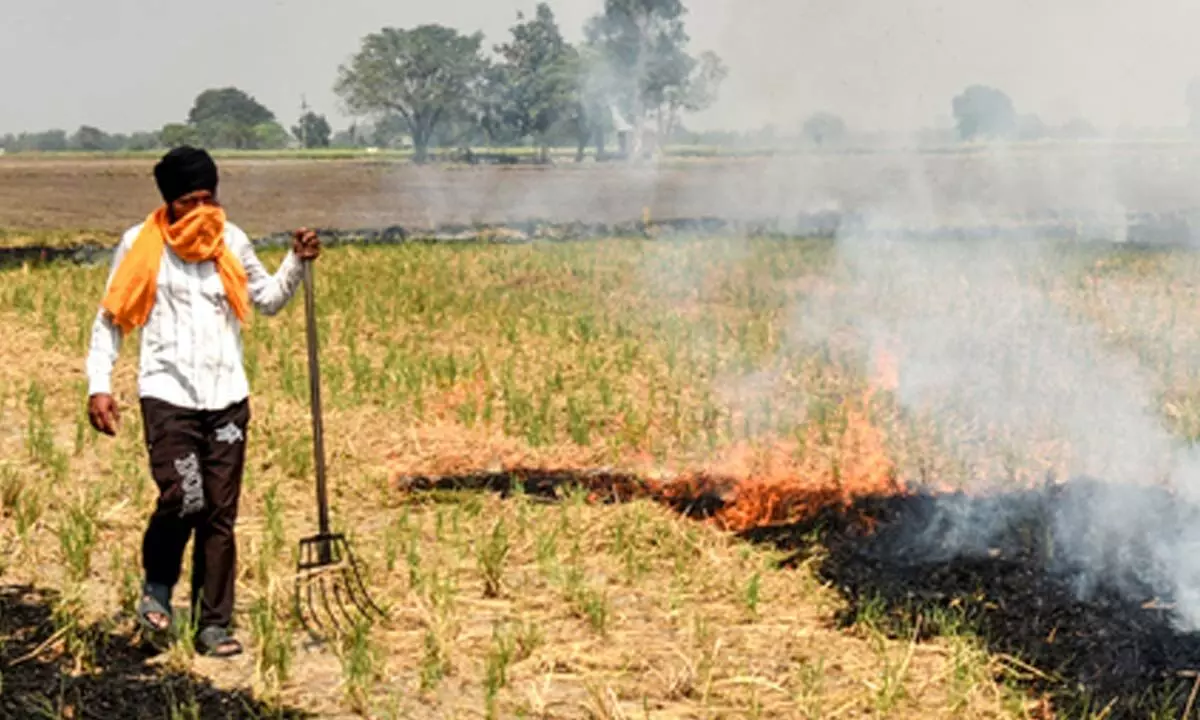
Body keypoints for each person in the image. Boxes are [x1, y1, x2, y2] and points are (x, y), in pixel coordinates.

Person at [85, 145, 320, 657]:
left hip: (227, 397)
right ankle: (158, 587)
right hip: (168, 395)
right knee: (184, 497)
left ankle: (214, 623)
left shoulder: (231, 241)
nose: (200, 211)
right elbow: (112, 317)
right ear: (169, 203)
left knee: (219, 513)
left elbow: (270, 299)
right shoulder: (140, 245)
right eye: (188, 201)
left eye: (207, 198)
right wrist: (98, 383)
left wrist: (297, 264)